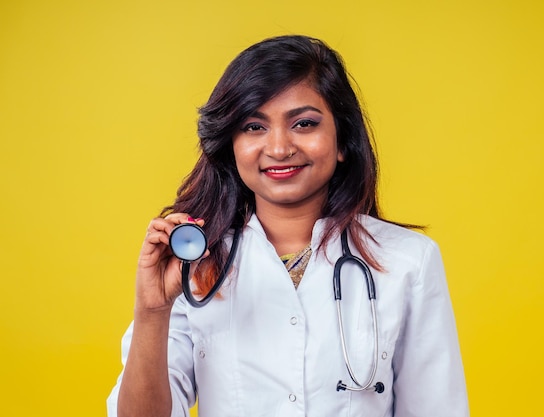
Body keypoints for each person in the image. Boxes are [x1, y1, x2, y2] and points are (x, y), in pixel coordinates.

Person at [107, 35, 469, 417]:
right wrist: (152, 310)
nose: (279, 148)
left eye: (303, 123)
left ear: (343, 140)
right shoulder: (191, 263)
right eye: (253, 126)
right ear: (229, 144)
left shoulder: (407, 260)